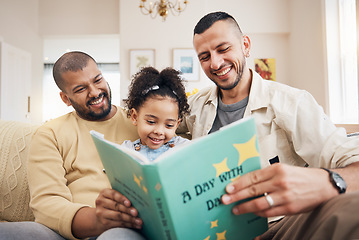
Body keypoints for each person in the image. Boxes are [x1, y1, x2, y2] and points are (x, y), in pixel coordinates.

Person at [176, 11, 359, 239]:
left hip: (276, 226)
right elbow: (152, 129)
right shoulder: (194, 106)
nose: (215, 62)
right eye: (204, 57)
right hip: (211, 228)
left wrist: (326, 182)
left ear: (245, 45)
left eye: (223, 49)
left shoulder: (292, 102)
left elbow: (353, 164)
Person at [0, 51, 145, 240]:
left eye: (97, 80)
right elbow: (47, 204)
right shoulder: (49, 133)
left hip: (125, 228)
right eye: (80, 89)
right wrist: (97, 220)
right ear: (66, 98)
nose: (95, 92)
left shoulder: (140, 123)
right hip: (68, 232)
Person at [122, 67, 190, 161]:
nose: (159, 131)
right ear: (135, 117)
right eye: (151, 122)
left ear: (177, 124)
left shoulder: (184, 147)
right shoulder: (126, 150)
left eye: (169, 125)